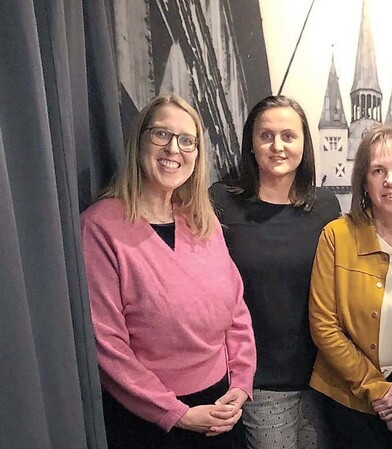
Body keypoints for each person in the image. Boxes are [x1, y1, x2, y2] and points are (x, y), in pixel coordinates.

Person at [81, 95, 256, 449]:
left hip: (221, 411)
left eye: (187, 140)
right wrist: (175, 413)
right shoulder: (100, 227)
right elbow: (107, 346)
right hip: (150, 422)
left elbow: (236, 313)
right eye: (162, 134)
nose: (174, 149)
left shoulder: (203, 223)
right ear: (140, 141)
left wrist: (239, 385)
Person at [210, 95, 341, 449]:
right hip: (259, 378)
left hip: (322, 377)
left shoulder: (325, 206)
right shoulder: (221, 202)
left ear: (304, 144)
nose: (278, 145)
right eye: (266, 135)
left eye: (288, 135)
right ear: (250, 144)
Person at [308, 125, 392, 449]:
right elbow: (324, 325)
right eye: (378, 171)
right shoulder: (336, 236)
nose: (390, 180)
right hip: (349, 404)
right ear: (365, 183)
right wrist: (378, 389)